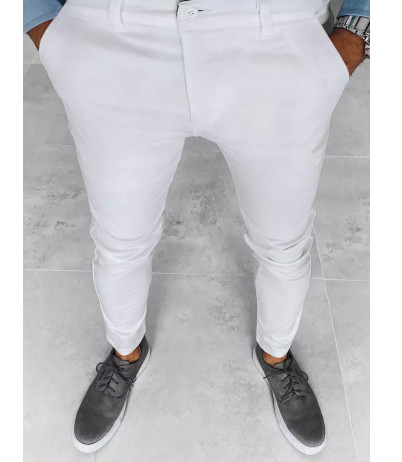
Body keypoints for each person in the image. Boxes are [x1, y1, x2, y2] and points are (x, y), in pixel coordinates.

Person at [24, 0, 370, 455]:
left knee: (284, 243)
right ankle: (125, 353)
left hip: (274, 39)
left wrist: (358, 29)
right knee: (119, 240)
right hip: (113, 37)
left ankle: (276, 354)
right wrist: (43, 25)